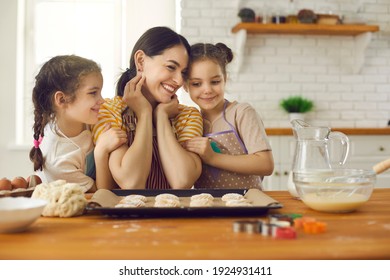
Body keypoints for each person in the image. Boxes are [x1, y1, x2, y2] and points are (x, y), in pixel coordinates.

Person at [91, 26, 203, 190]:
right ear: (141, 61)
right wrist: (144, 114)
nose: (179, 80)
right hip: (128, 215)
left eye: (184, 72)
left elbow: (182, 180)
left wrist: (162, 116)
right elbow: (131, 182)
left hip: (174, 215)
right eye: (171, 67)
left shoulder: (188, 116)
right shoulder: (108, 110)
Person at [29, 55, 127, 192]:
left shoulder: (86, 118)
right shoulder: (59, 163)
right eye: (93, 93)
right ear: (62, 100)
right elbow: (101, 196)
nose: (102, 100)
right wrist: (101, 152)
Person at [183, 42, 274, 189]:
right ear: (185, 86)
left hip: (247, 205)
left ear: (225, 79)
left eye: (215, 81)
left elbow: (265, 164)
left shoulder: (241, 113)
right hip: (209, 208)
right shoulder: (189, 122)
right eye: (196, 84)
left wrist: (213, 158)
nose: (207, 90)